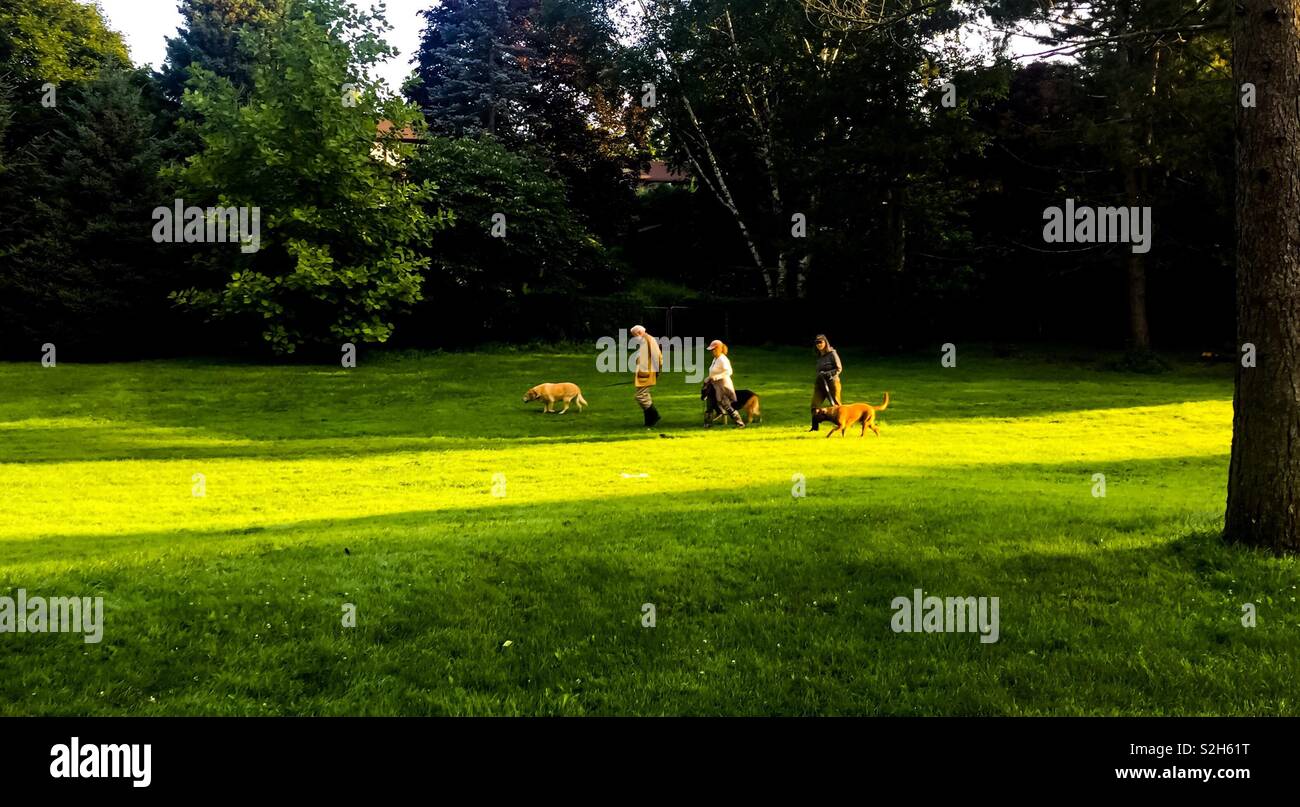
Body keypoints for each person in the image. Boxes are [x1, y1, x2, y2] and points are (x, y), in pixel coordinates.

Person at [704, 339, 745, 428]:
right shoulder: (715, 359)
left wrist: (717, 377)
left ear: (718, 349)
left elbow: (729, 372)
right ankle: (707, 424)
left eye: (713, 349)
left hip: (722, 386)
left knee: (726, 405)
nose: (712, 352)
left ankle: (740, 423)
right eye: (711, 350)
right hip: (714, 385)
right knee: (710, 403)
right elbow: (713, 372)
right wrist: (709, 378)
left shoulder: (723, 359)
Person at [629, 324, 663, 427]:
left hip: (647, 373)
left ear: (639, 333)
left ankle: (654, 415)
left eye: (634, 336)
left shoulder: (649, 340)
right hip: (643, 373)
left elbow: (657, 356)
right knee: (644, 395)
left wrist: (657, 371)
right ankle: (649, 421)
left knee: (641, 396)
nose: (634, 338)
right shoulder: (645, 340)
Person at [810, 333, 842, 431]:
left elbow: (839, 368)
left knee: (836, 405)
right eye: (817, 343)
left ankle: (841, 425)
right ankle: (815, 428)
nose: (819, 344)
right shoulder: (819, 355)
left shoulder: (832, 353)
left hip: (832, 382)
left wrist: (828, 373)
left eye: (820, 342)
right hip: (820, 384)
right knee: (814, 405)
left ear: (825, 342)